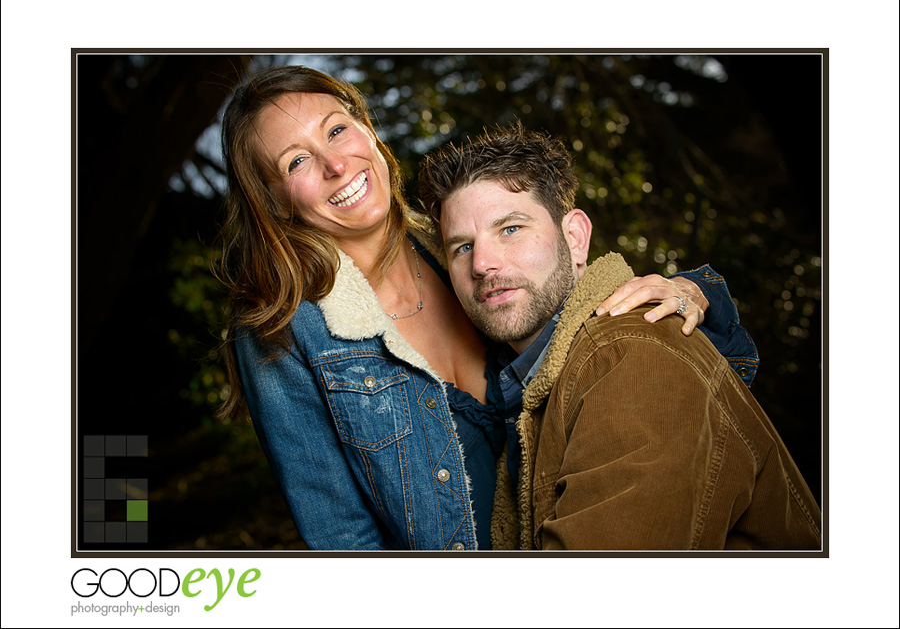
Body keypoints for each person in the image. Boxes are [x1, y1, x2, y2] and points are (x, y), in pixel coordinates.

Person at [216, 65, 759, 550]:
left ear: (367, 130)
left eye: (337, 129)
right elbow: (342, 540)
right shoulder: (282, 329)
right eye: (296, 162)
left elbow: (587, 310)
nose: (336, 163)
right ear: (271, 198)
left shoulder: (465, 243)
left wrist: (692, 291)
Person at [417, 123, 822, 550]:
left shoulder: (631, 355)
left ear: (574, 239)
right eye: (461, 246)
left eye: (511, 229)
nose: (482, 263)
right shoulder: (516, 385)